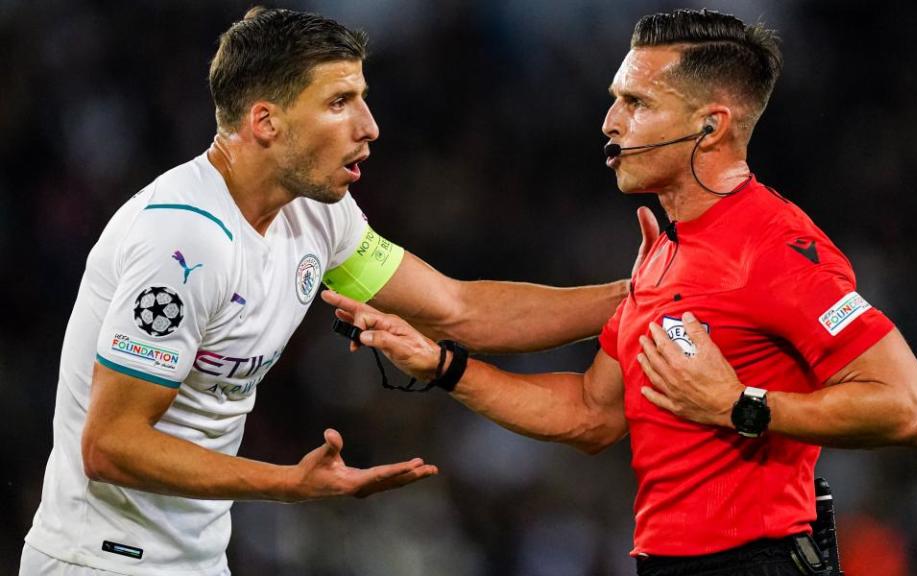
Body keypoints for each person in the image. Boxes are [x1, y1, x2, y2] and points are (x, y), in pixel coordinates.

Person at [19, 8, 636, 576]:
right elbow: (109, 445)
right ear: (265, 121)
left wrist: (640, 291)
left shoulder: (319, 214)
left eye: (362, 99)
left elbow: (459, 310)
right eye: (340, 102)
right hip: (98, 561)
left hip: (195, 558)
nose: (370, 126)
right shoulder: (184, 240)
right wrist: (289, 484)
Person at [325, 9, 917, 576]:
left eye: (637, 103)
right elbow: (591, 414)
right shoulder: (666, 250)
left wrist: (742, 405)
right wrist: (441, 365)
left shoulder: (775, 248)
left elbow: (911, 411)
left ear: (709, 126)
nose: (610, 122)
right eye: (617, 98)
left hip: (759, 562)